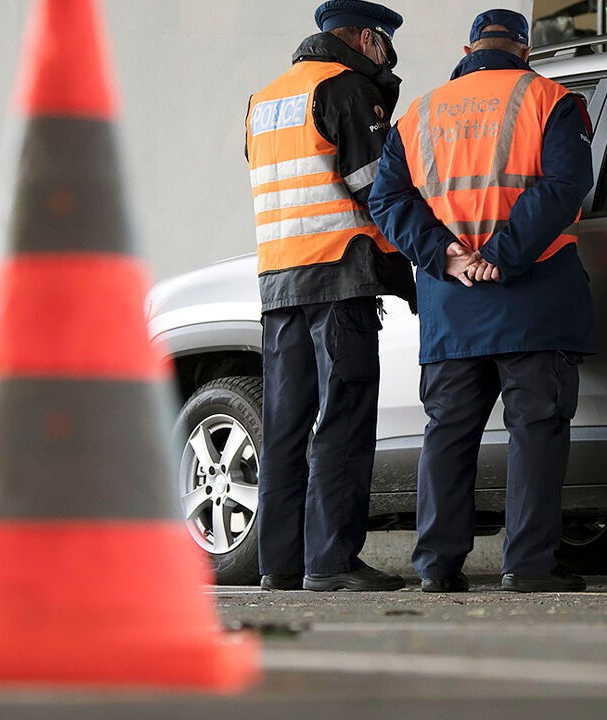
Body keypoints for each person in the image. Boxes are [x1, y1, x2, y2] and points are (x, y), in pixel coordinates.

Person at [368, 9, 596, 593]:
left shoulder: (420, 112)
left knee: (447, 433)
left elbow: (388, 200)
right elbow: (564, 188)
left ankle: (436, 567)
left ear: (468, 48)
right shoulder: (550, 100)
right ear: (526, 51)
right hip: (533, 297)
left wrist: (446, 253)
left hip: (451, 302)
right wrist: (504, 253)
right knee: (535, 431)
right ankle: (526, 566)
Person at [245, 0, 415, 592]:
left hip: (277, 285)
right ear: (368, 39)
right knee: (341, 420)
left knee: (285, 427)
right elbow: (378, 195)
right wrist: (410, 270)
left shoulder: (263, 99)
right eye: (385, 46)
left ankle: (280, 564)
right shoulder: (343, 90)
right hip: (338, 283)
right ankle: (332, 562)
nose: (388, 58)